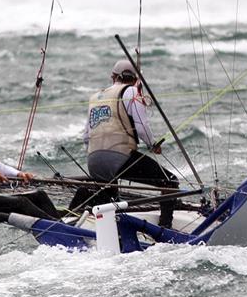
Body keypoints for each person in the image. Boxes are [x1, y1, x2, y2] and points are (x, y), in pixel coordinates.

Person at [73, 59, 178, 228]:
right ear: (136, 79)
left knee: (109, 195)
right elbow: (142, 128)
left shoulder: (96, 97)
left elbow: (86, 137)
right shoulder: (131, 92)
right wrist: (153, 145)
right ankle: (165, 229)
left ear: (113, 77)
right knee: (170, 182)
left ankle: (80, 209)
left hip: (93, 160)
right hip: (119, 157)